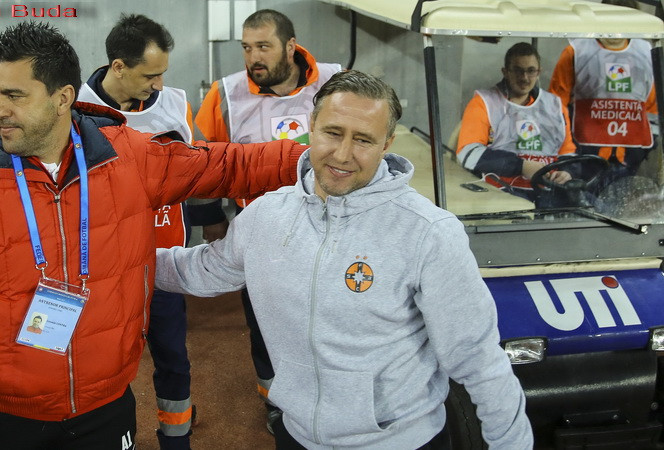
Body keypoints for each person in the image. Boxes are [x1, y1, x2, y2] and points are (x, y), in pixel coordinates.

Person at [0, 21, 306, 450]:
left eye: (15, 95)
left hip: (104, 407)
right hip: (2, 415)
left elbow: (225, 165)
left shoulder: (130, 158)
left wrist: (309, 160)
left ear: (62, 98)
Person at [156, 70, 533, 449]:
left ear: (387, 143)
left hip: (401, 441)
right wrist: (126, 263)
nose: (342, 154)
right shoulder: (266, 216)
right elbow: (201, 270)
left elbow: (478, 359)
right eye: (333, 133)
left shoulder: (428, 232)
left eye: (363, 140)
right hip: (297, 435)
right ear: (311, 127)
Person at [192, 8, 341, 431]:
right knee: (266, 318)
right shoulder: (225, 94)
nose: (253, 57)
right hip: (261, 227)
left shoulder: (337, 81)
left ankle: (332, 392)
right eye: (246, 48)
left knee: (329, 312)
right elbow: (202, 161)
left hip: (330, 222)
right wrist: (210, 218)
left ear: (291, 47)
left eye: (263, 46)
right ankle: (277, 401)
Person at [75, 14, 199, 449]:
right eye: (150, 75)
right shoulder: (75, 110)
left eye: (163, 73)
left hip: (164, 264)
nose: (159, 84)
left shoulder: (176, 103)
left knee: (174, 360)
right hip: (105, 272)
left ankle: (177, 440)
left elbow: (198, 167)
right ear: (119, 66)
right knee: (105, 365)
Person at [548, 0, 658, 187]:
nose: (616, 27)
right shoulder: (577, 51)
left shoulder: (648, 53)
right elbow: (556, 107)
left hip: (628, 160)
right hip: (582, 159)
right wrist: (568, 156)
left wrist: (643, 150)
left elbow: (653, 110)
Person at [456, 42, 577, 201]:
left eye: (531, 71)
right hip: (499, 195)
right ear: (505, 72)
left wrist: (567, 172)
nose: (524, 78)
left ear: (539, 72)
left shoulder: (554, 106)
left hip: (549, 194)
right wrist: (521, 166)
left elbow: (568, 153)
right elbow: (468, 153)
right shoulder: (484, 103)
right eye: (518, 70)